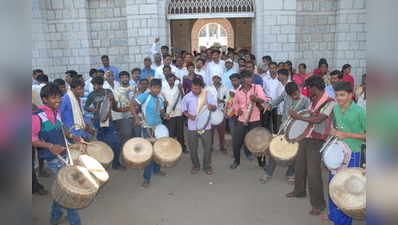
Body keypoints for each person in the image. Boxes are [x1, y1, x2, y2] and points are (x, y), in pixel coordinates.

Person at [32, 83, 84, 225]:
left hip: (63, 155)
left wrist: (73, 137)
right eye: (54, 98)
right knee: (69, 191)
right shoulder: (37, 117)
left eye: (59, 97)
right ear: (44, 99)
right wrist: (50, 145)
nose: (58, 100)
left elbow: (62, 129)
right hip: (52, 159)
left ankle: (55, 217)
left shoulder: (56, 112)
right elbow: (31, 139)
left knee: (61, 188)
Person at [286, 75, 336, 216]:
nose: (307, 90)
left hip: (318, 140)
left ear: (315, 88)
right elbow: (308, 122)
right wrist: (297, 137)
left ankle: (319, 204)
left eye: (309, 88)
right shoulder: (313, 101)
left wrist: (298, 117)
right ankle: (299, 191)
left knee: (314, 172)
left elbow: (319, 119)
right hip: (307, 137)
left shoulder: (330, 102)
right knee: (299, 166)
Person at [323, 81, 366, 225]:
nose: (339, 98)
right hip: (338, 153)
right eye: (337, 95)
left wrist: (345, 134)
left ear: (351, 95)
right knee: (334, 185)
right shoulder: (335, 108)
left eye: (342, 95)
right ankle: (335, 217)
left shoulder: (360, 112)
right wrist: (332, 133)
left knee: (347, 189)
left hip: (354, 154)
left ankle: (344, 221)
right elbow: (335, 129)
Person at [262, 82, 310, 184]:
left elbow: (308, 116)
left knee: (295, 153)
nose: (294, 96)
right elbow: (277, 100)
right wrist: (269, 105)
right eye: (292, 95)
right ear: (287, 94)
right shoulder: (285, 94)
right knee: (274, 149)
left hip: (296, 132)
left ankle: (290, 173)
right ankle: (268, 173)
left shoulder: (305, 100)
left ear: (298, 89)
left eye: (296, 93)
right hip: (283, 128)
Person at [84, 76, 129, 170]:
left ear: (100, 84)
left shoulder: (108, 92)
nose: (93, 86)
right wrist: (93, 109)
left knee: (116, 142)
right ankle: (104, 164)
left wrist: (113, 101)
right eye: (93, 85)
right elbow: (86, 107)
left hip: (109, 121)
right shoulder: (92, 95)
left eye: (95, 85)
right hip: (97, 121)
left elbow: (114, 106)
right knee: (102, 144)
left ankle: (116, 164)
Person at [130, 79, 168, 188]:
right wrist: (136, 117)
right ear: (150, 87)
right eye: (154, 87)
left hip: (158, 128)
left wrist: (165, 115)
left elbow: (161, 112)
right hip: (147, 128)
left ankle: (156, 170)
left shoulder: (160, 99)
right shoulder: (144, 96)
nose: (156, 90)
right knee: (149, 153)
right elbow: (131, 105)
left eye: (158, 88)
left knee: (158, 150)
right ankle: (146, 178)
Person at [230, 71, 269, 169]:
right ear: (241, 80)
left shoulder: (257, 88)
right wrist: (237, 111)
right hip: (242, 119)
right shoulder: (238, 92)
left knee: (258, 142)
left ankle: (261, 162)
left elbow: (263, 100)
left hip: (255, 119)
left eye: (249, 78)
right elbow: (235, 104)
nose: (248, 80)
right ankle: (236, 160)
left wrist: (256, 99)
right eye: (246, 78)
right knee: (236, 141)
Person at [182, 77, 217, 175]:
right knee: (193, 148)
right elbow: (184, 111)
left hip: (206, 126)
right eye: (193, 88)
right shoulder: (187, 97)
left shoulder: (207, 95)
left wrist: (212, 107)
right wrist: (189, 115)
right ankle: (196, 165)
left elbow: (215, 107)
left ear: (201, 87)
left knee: (207, 148)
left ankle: (207, 166)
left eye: (197, 88)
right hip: (192, 127)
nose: (195, 90)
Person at [162, 74, 187, 153]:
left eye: (172, 79)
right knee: (171, 132)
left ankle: (182, 147)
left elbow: (184, 97)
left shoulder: (178, 86)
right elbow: (162, 99)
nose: (171, 81)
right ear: (167, 80)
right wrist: (164, 103)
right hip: (169, 113)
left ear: (174, 80)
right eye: (169, 80)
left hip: (179, 112)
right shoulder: (164, 88)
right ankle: (171, 148)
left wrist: (180, 89)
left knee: (180, 132)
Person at [114, 71, 136, 145]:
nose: (125, 79)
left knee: (136, 136)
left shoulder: (134, 88)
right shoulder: (117, 90)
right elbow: (116, 104)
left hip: (137, 116)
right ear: (120, 79)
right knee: (126, 137)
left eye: (126, 77)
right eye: (122, 77)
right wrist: (123, 109)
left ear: (129, 78)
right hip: (124, 117)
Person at [262, 63, 284, 133]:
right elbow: (263, 91)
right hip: (267, 105)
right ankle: (266, 138)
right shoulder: (265, 79)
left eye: (274, 67)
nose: (272, 69)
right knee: (266, 123)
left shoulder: (280, 79)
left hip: (277, 105)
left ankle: (275, 140)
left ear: (277, 68)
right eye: (271, 68)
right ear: (269, 69)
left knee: (276, 124)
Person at [210, 75, 229, 153]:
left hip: (221, 111)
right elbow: (205, 99)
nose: (216, 79)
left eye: (218, 78)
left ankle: (222, 146)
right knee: (211, 131)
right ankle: (210, 146)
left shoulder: (225, 88)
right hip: (211, 112)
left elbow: (228, 99)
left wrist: (221, 100)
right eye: (214, 78)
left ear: (220, 79)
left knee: (221, 131)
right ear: (212, 79)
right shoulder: (209, 88)